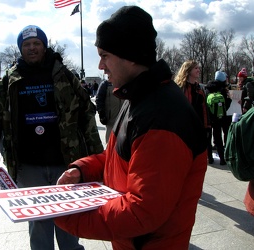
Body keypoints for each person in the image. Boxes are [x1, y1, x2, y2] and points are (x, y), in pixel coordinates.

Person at [54, 6, 207, 250]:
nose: (101, 66)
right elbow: (119, 157)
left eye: (105, 55)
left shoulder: (161, 115)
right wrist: (83, 170)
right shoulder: (138, 97)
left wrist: (66, 215)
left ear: (131, 55)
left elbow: (142, 211)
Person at [0, 24, 103, 250]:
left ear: (44, 46)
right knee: (38, 225)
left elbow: (87, 114)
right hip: (29, 166)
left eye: (36, 43)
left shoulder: (64, 75)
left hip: (65, 163)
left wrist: (97, 158)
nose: (32, 48)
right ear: (20, 49)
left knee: (68, 221)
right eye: (26, 45)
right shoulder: (9, 80)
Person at [174, 60, 210, 163]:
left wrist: (207, 126)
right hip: (183, 128)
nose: (199, 70)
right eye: (196, 68)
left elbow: (204, 109)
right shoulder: (180, 88)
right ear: (188, 70)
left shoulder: (199, 89)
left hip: (198, 128)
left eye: (199, 68)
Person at [205, 71, 232, 165]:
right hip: (221, 117)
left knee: (209, 138)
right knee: (220, 136)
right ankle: (222, 159)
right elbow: (227, 105)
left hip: (210, 117)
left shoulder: (208, 88)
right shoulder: (223, 89)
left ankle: (210, 158)